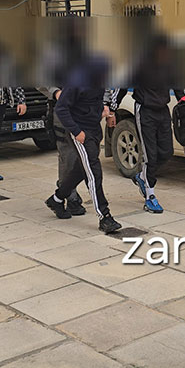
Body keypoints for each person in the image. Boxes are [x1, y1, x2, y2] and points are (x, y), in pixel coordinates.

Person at [45, 53, 122, 234]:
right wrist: (76, 132)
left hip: (94, 130)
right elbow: (61, 108)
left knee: (81, 169)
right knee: (94, 173)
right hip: (80, 132)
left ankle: (56, 199)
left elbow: (95, 102)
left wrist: (106, 111)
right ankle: (104, 216)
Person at [106, 34, 182, 213]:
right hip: (145, 111)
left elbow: (177, 86)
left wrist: (184, 102)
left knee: (166, 152)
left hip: (163, 111)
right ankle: (150, 196)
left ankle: (141, 177)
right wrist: (111, 110)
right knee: (150, 155)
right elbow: (121, 87)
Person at [39, 86, 86, 215]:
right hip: (62, 111)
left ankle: (64, 191)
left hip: (85, 109)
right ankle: (69, 196)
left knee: (87, 157)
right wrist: (55, 92)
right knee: (68, 156)